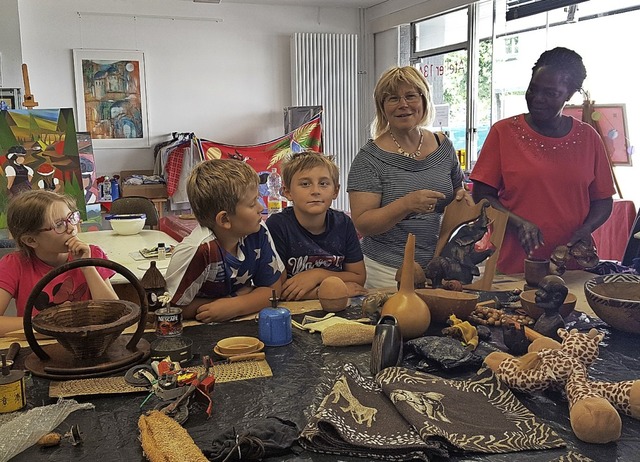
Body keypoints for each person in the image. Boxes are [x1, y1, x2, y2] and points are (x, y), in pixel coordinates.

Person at [470, 47, 615, 275]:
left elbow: (603, 200)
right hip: (515, 265)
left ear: (568, 94)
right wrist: (518, 223)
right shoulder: (504, 133)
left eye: (551, 93)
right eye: (532, 89)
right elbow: (480, 194)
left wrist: (586, 228)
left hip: (572, 266)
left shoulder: (589, 138)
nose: (537, 99)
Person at [347, 66, 471, 288]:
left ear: (424, 101)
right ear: (382, 108)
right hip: (387, 272)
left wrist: (462, 196)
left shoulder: (443, 146)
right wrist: (406, 204)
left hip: (439, 269)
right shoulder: (369, 159)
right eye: (393, 98)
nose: (403, 104)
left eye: (411, 96)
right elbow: (363, 223)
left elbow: (456, 190)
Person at [165, 159, 284, 323]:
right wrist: (238, 297)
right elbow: (169, 309)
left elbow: (273, 290)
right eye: (252, 204)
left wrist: (235, 306)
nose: (260, 208)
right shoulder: (199, 250)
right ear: (225, 219)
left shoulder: (258, 231)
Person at [0, 190, 117, 336]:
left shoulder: (92, 254)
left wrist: (87, 267)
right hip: (41, 348)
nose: (71, 228)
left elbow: (114, 313)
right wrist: (47, 321)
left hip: (92, 343)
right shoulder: (14, 265)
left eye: (71, 218)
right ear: (31, 240)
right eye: (59, 225)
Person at [265, 151, 366, 300]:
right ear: (287, 192)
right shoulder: (278, 226)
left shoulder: (343, 223)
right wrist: (327, 291)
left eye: (323, 184)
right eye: (305, 184)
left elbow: (358, 278)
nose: (316, 191)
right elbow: (279, 290)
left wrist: (318, 275)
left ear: (335, 191)